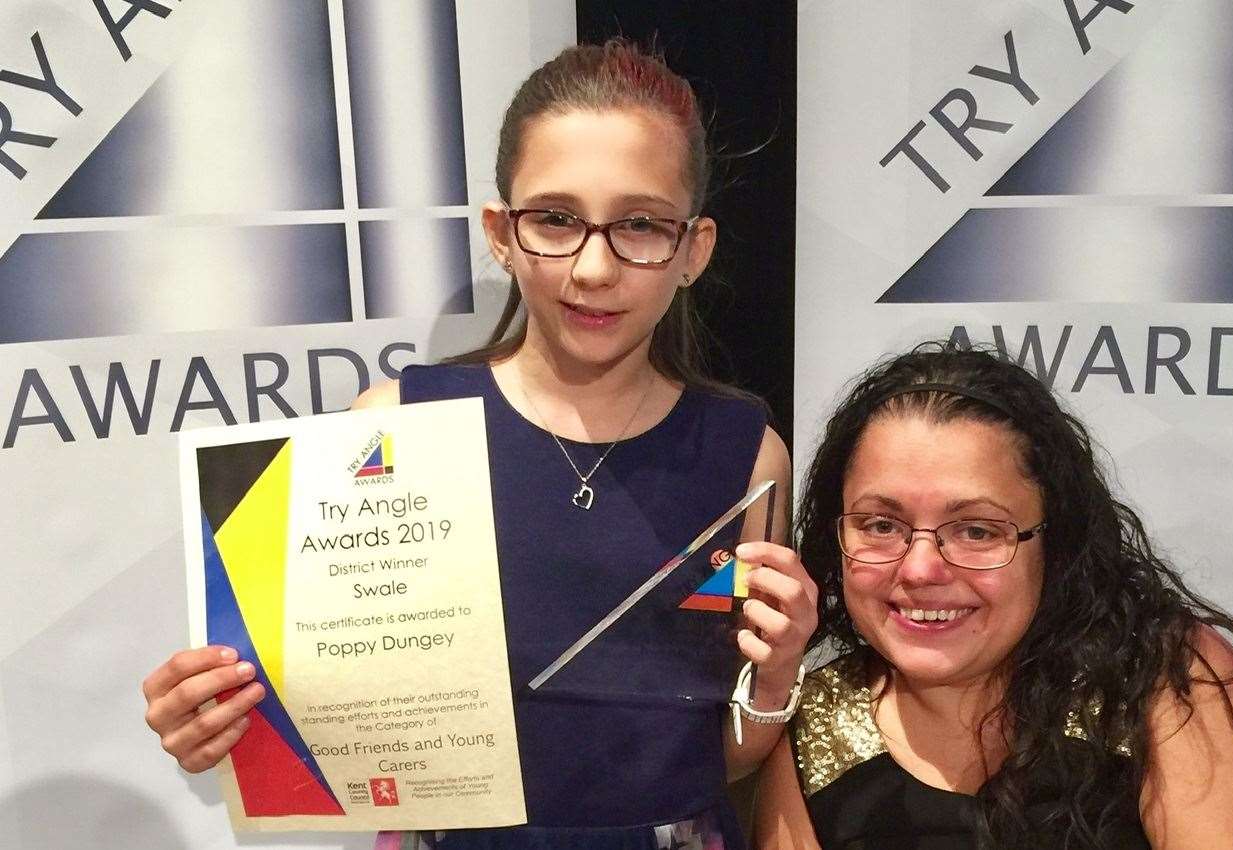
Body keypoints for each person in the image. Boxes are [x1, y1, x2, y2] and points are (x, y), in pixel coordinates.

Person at [142, 40, 817, 849]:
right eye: (556, 220)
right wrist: (221, 719)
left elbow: (723, 762)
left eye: (639, 224)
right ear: (501, 232)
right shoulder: (394, 424)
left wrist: (777, 677)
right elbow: (334, 712)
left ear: (692, 250)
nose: (595, 268)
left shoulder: (746, 455)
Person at [754, 343, 1233, 850]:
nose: (921, 568)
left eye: (977, 530)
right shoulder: (804, 721)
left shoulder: (1161, 678)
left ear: (1054, 542)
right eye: (880, 525)